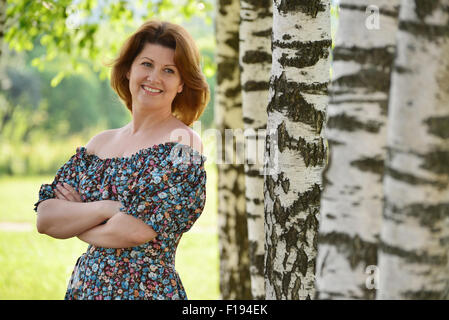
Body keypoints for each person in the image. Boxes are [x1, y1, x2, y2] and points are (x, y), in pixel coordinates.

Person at [33, 20, 210, 300]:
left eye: (169, 70)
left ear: (181, 84)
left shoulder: (183, 143)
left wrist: (78, 224)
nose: (154, 77)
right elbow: (47, 218)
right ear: (128, 70)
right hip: (85, 289)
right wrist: (107, 208)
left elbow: (132, 231)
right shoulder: (99, 143)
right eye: (147, 64)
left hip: (145, 291)